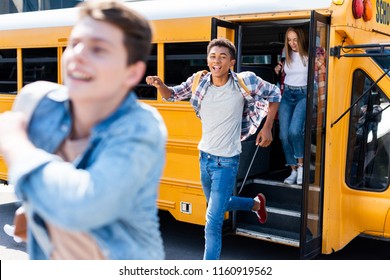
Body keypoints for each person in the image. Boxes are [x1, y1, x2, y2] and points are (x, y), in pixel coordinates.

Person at [0, 0, 167, 260]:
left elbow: (84, 205)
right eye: (74, 43)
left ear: (132, 73)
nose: (78, 54)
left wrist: (14, 143)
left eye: (98, 49)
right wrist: (36, 209)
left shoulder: (142, 126)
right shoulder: (38, 103)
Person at [146, 38, 281, 260]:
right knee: (220, 204)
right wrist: (160, 84)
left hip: (227, 161)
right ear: (208, 60)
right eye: (212, 56)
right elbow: (173, 95)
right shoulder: (199, 80)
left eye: (222, 57)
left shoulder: (245, 81)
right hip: (204, 158)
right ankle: (256, 204)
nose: (216, 61)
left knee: (212, 221)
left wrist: (267, 129)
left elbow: (275, 94)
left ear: (232, 62)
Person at [274, 27, 309, 185]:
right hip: (287, 94)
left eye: (295, 39)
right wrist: (278, 69)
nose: (292, 43)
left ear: (301, 39)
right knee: (283, 135)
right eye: (289, 40)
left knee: (295, 131)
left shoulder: (311, 55)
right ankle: (293, 170)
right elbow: (282, 73)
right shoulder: (285, 54)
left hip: (303, 94)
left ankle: (301, 167)